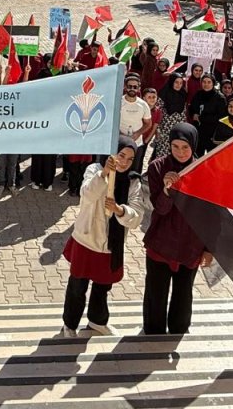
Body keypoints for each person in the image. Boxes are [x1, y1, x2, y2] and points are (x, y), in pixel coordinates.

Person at [59, 137, 144, 337]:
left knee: (102, 286)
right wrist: (104, 174)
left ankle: (97, 320)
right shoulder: (94, 169)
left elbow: (136, 216)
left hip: (111, 245)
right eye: (121, 155)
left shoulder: (133, 182)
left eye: (130, 159)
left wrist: (120, 210)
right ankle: (69, 324)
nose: (124, 162)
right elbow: (86, 194)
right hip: (87, 238)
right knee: (77, 286)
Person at [142, 123, 211, 334]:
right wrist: (166, 190)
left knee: (183, 292)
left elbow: (212, 215)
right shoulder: (157, 167)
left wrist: (209, 249)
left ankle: (179, 331)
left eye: (185, 147)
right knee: (156, 292)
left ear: (194, 145)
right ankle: (153, 333)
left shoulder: (204, 170)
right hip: (161, 241)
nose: (180, 152)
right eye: (175, 146)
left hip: (191, 244)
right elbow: (160, 209)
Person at [118, 74, 152, 172]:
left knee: (133, 171)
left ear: (139, 88)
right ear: (125, 87)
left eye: (135, 87)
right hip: (119, 143)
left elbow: (148, 123)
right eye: (129, 86)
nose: (132, 89)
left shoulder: (143, 105)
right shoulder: (118, 102)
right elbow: (112, 121)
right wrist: (120, 134)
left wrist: (137, 134)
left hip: (136, 144)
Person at [188, 75, 226, 154]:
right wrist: (193, 115)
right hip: (198, 131)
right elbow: (191, 108)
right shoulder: (198, 94)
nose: (206, 84)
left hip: (212, 133)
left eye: (209, 82)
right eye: (204, 82)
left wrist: (202, 118)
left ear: (213, 84)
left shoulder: (220, 98)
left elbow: (221, 116)